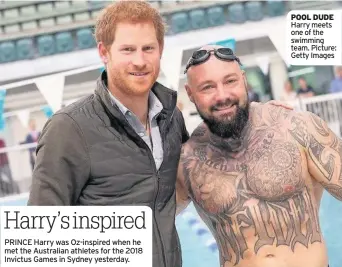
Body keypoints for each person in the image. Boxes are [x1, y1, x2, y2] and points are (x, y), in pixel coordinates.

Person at [28, 2, 188, 267]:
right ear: (104, 52)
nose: (140, 60)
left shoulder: (171, 119)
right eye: (127, 50)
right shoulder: (70, 128)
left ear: (161, 49)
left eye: (148, 48)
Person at [176, 45, 338, 267]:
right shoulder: (187, 160)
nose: (222, 95)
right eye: (207, 87)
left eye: (230, 81)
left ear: (243, 80)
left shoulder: (298, 128)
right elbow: (147, 219)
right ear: (190, 94)